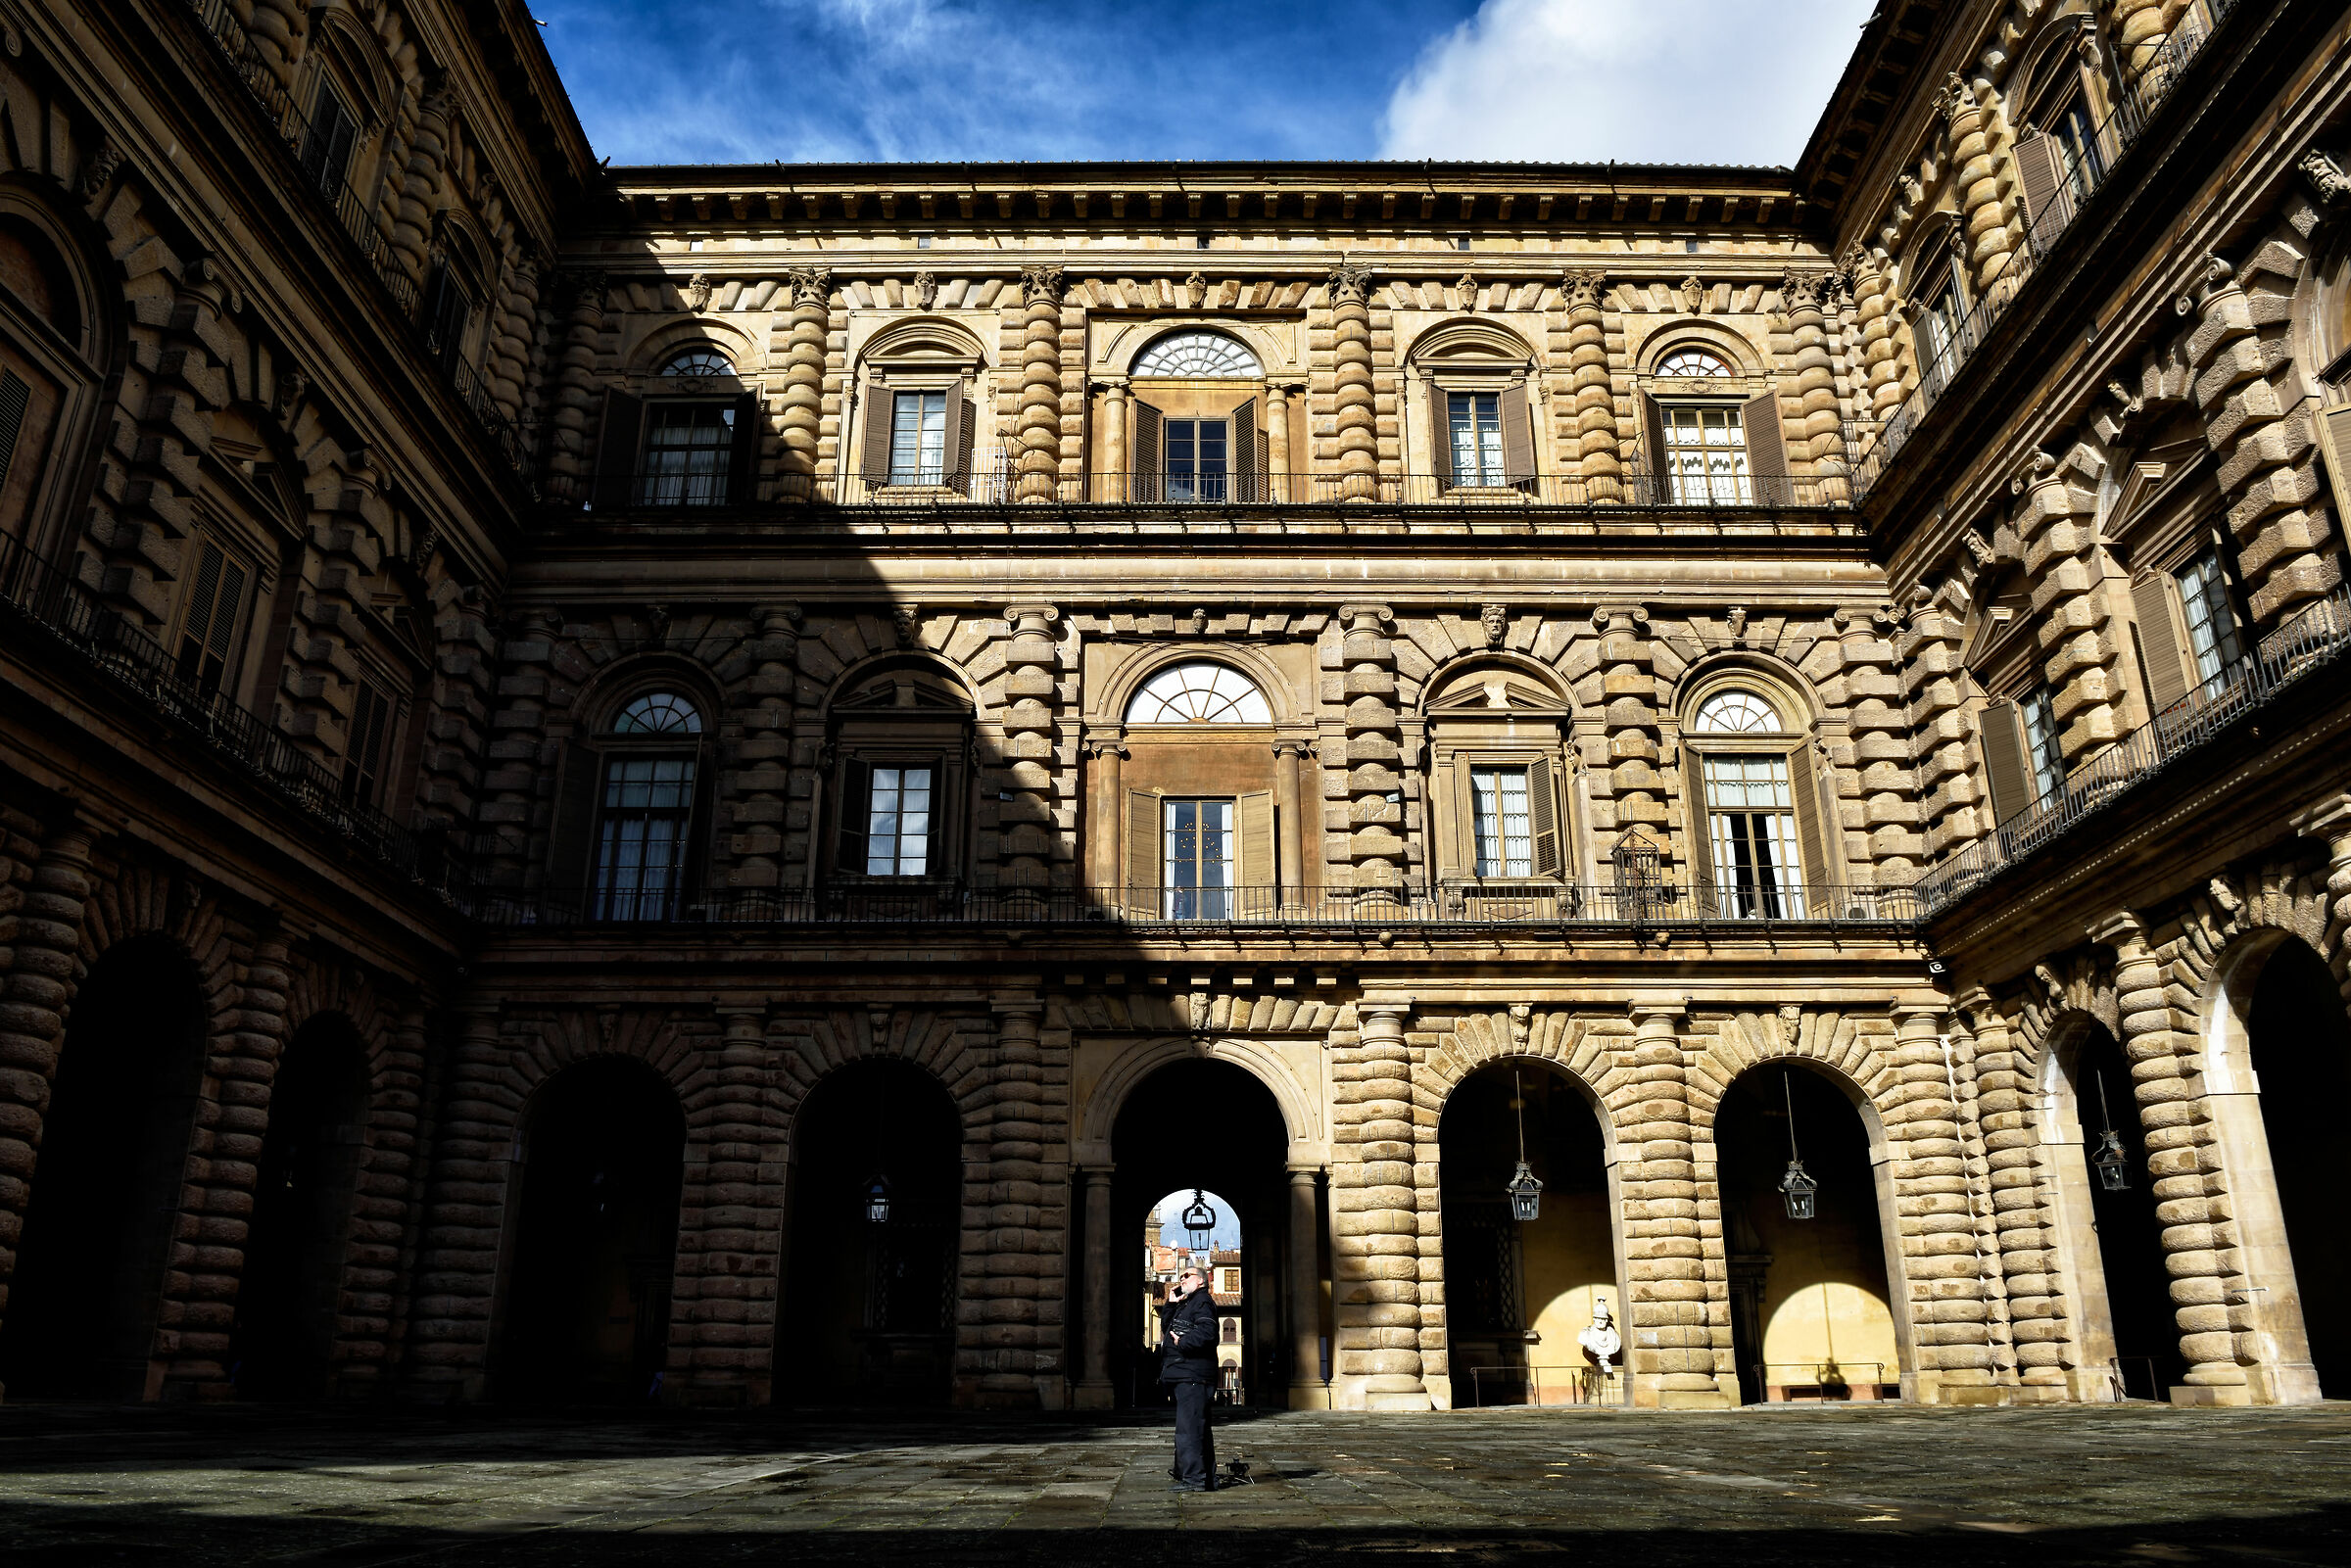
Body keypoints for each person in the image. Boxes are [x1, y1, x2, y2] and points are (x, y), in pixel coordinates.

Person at [1159, 1263, 1220, 1492]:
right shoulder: (1187, 1303)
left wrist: (1183, 1343)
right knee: (1197, 1428)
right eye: (1181, 1276)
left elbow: (1208, 1333)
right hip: (1186, 1373)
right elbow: (1167, 1328)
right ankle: (1206, 1479)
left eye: (1187, 1276)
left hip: (1193, 1373)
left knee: (1189, 1430)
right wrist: (1170, 1304)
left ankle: (1193, 1479)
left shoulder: (1202, 1302)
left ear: (1201, 1281)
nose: (1182, 1279)